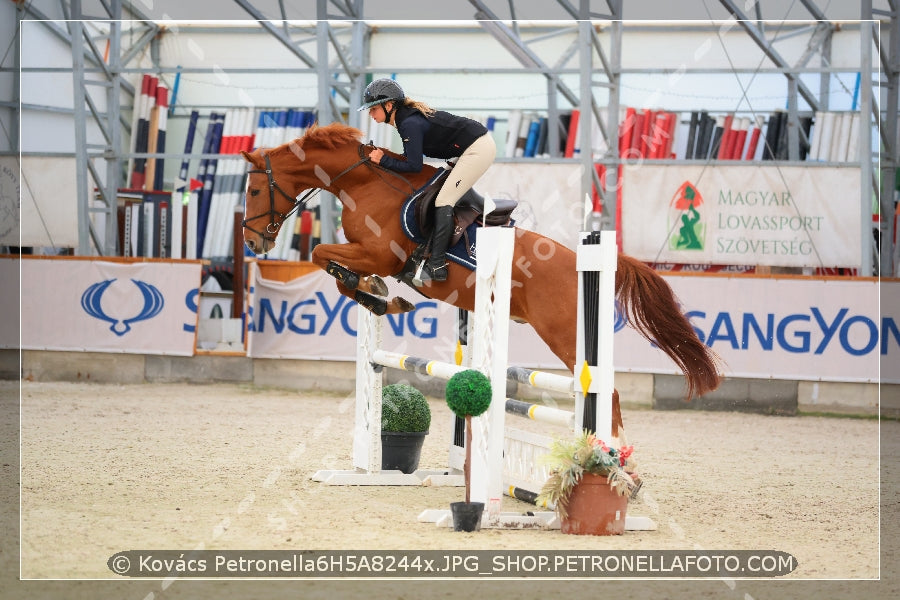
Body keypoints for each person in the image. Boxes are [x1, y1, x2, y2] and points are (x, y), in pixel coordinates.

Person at [358, 78, 496, 282]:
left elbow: (414, 167)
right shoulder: (404, 120)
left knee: (443, 200)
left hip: (477, 149)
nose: (370, 114)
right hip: (468, 148)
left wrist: (383, 160)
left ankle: (437, 264)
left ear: (389, 106)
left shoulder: (409, 124)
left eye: (373, 108)